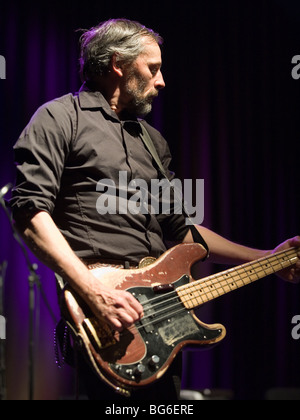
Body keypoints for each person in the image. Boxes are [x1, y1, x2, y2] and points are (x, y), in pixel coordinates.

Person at [9, 18, 300, 400]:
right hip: (106, 317)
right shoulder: (60, 118)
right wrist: (91, 289)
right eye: (153, 68)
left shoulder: (153, 141)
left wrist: (267, 257)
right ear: (118, 64)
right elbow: (30, 212)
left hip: (161, 321)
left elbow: (182, 232)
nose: (161, 82)